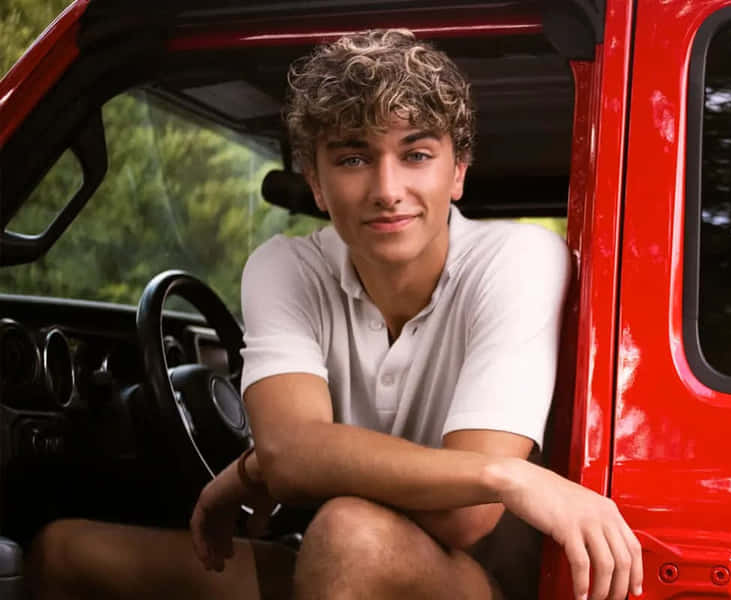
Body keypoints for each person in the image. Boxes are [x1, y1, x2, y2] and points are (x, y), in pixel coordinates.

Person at [28, 29, 642, 600]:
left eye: (416, 154)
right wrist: (506, 478)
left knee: (350, 532)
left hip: (480, 582)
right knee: (62, 552)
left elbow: (463, 519)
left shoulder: (519, 258)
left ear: (457, 172)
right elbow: (294, 457)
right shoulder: (285, 267)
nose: (387, 188)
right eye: (353, 158)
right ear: (316, 185)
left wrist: (272, 469)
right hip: (330, 551)